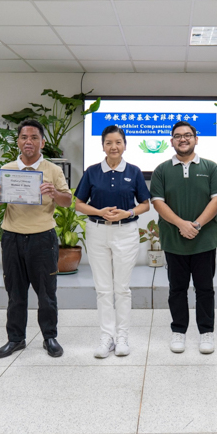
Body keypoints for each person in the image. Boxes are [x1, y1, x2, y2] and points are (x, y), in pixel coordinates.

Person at [0, 119, 72, 359]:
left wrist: (54, 193)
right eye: (24, 137)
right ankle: (15, 339)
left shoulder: (53, 170)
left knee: (47, 292)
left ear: (42, 142)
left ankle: (49, 337)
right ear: (18, 141)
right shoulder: (7, 168)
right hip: (12, 237)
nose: (29, 142)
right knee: (15, 291)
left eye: (34, 137)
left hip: (43, 238)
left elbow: (67, 201)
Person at [74, 125, 150, 358]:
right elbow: (78, 204)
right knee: (104, 289)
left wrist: (127, 213)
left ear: (125, 145)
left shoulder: (135, 171)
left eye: (118, 142)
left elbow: (145, 204)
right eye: (109, 142)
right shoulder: (92, 171)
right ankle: (106, 337)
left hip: (126, 232)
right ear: (103, 146)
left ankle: (123, 336)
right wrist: (99, 211)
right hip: (97, 231)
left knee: (122, 289)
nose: (113, 147)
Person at [151, 121, 217, 354]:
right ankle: (179, 331)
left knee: (205, 288)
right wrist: (182, 224)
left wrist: (197, 225)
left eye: (188, 135)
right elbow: (157, 202)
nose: (183, 139)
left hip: (204, 240)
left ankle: (206, 332)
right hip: (174, 239)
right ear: (171, 141)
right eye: (178, 136)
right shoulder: (161, 170)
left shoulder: (211, 167)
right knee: (177, 288)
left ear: (196, 138)